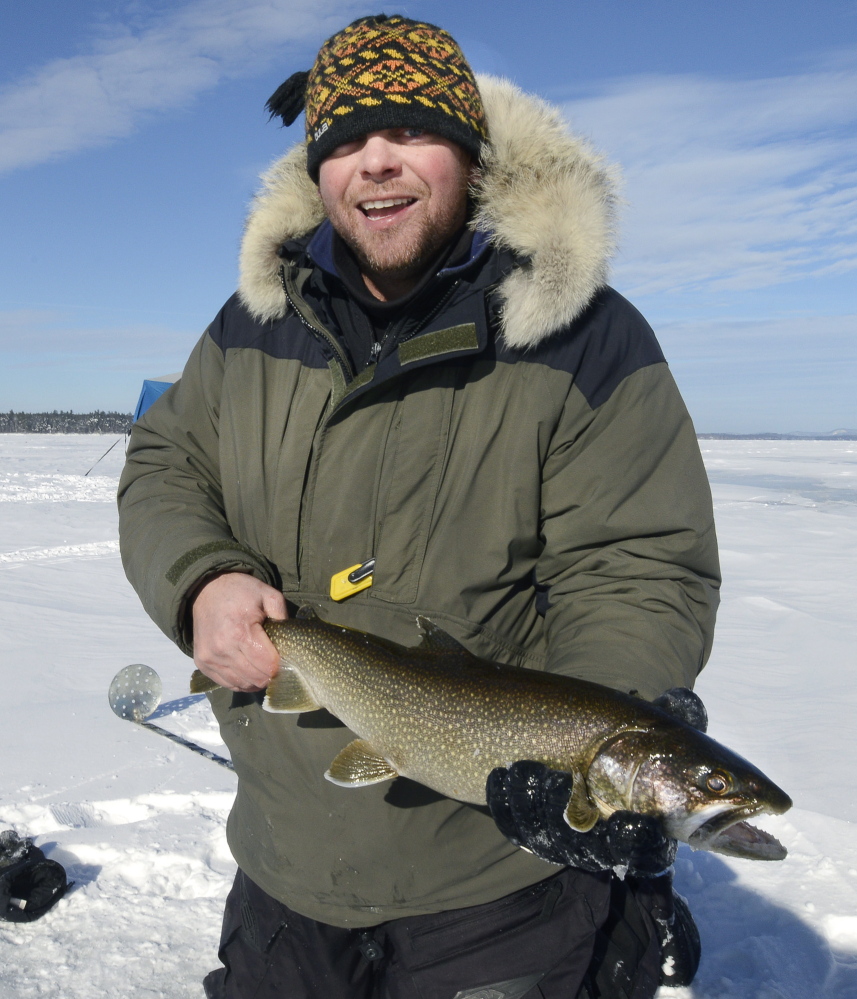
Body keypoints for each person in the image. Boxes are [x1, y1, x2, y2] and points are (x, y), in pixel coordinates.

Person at [118, 13, 721, 999]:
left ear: (469, 152)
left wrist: (591, 739)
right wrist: (202, 580)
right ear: (315, 169)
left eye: (409, 131)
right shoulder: (251, 324)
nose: (376, 166)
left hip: (491, 885)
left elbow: (637, 564)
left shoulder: (581, 335)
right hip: (282, 871)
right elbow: (165, 462)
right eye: (345, 140)